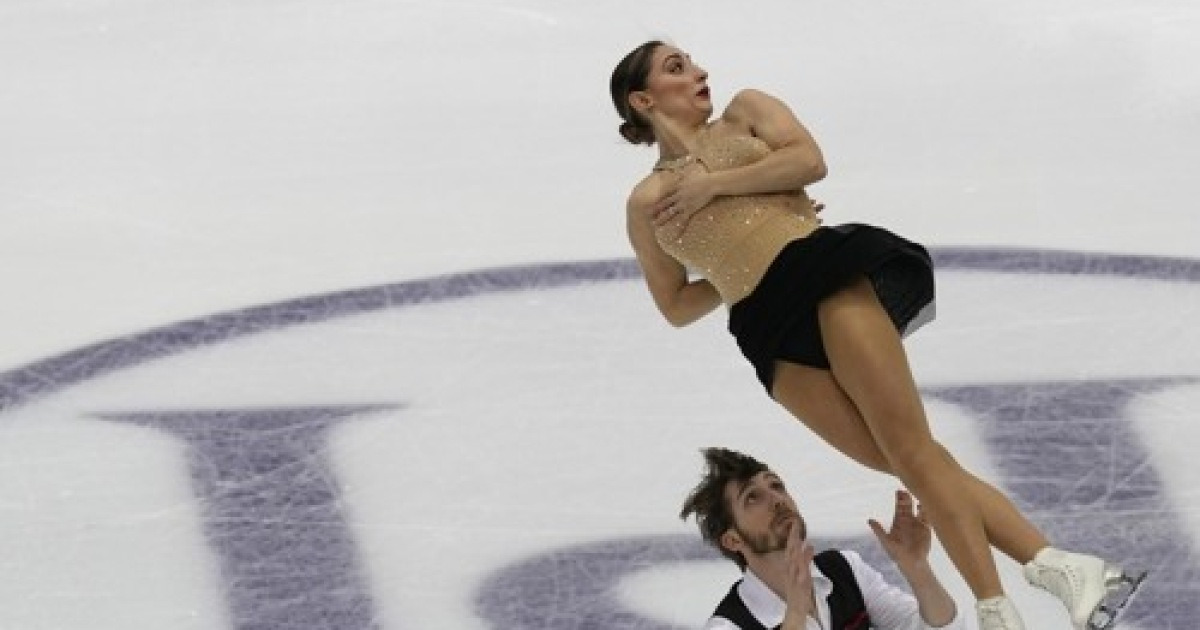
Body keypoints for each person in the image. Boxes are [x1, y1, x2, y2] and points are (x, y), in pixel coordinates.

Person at [610, 40, 1143, 630]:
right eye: (677, 69)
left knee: (913, 451)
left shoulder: (746, 110)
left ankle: (995, 608)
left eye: (693, 62)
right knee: (913, 462)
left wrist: (719, 188)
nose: (700, 72)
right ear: (643, 98)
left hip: (821, 274)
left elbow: (808, 160)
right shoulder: (648, 201)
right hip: (764, 329)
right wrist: (737, 256)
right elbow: (676, 304)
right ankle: (1058, 566)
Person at [681, 447, 963, 630]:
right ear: (732, 540)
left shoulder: (845, 571)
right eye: (752, 497)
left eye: (776, 486)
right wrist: (796, 611)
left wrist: (917, 569)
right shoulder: (729, 626)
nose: (777, 500)